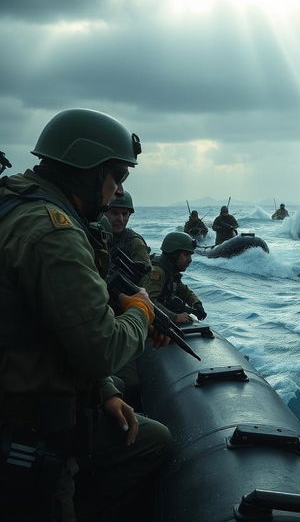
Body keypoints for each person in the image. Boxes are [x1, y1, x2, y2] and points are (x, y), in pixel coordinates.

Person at [0, 108, 172, 520]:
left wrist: (107, 391)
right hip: (28, 421)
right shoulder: (54, 233)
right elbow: (100, 347)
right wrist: (141, 315)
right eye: (116, 177)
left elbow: (48, 322)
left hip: (25, 387)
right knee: (155, 443)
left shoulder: (16, 203)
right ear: (87, 171)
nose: (117, 192)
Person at [142, 231, 207, 323]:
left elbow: (182, 289)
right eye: (185, 255)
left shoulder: (170, 270)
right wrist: (174, 317)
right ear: (173, 254)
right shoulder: (157, 272)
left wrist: (196, 303)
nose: (190, 260)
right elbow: (148, 301)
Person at [105, 189, 151, 269]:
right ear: (104, 213)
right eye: (115, 213)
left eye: (124, 214)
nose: (120, 219)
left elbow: (146, 274)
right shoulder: (95, 234)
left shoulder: (134, 242)